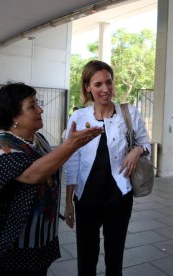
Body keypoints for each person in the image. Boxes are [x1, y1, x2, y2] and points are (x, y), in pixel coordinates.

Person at [0, 83, 102, 276]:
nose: (40, 109)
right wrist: (72, 144)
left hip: (39, 241)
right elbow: (34, 174)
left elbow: (52, 166)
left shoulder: (39, 140)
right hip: (11, 246)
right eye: (32, 106)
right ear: (14, 116)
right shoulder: (1, 148)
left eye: (38, 104)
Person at [63, 60, 151, 275]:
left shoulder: (128, 112)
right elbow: (71, 160)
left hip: (119, 196)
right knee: (86, 256)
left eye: (109, 83)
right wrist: (68, 203)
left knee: (115, 256)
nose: (105, 89)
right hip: (86, 198)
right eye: (98, 84)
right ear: (87, 87)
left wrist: (136, 151)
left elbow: (145, 143)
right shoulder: (79, 117)